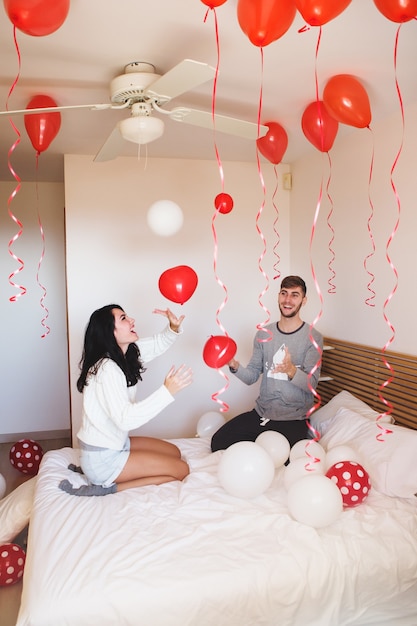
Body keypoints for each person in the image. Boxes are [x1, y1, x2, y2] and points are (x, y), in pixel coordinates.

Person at [59, 304, 192, 496]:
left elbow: (156, 344)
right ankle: (106, 487)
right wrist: (167, 391)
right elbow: (125, 419)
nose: (132, 321)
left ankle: (106, 474)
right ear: (109, 332)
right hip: (103, 460)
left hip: (115, 445)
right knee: (181, 471)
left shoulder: (124, 354)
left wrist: (172, 327)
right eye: (123, 318)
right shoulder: (107, 369)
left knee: (175, 452)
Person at [211, 276, 323, 452]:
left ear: (304, 300)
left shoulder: (313, 338)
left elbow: (312, 385)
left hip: (294, 419)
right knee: (218, 443)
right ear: (278, 296)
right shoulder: (264, 334)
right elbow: (252, 376)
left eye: (295, 295)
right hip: (262, 413)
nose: (288, 300)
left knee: (280, 458)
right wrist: (233, 365)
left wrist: (290, 370)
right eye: (284, 293)